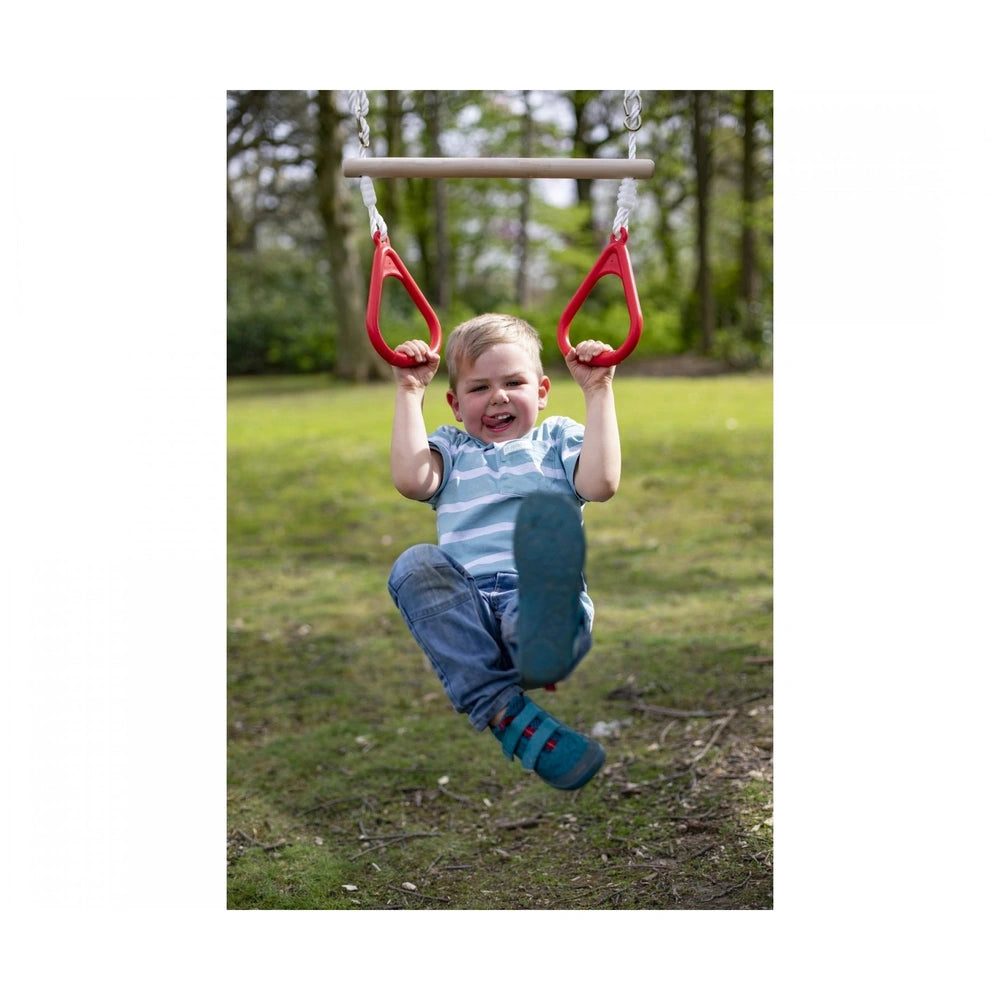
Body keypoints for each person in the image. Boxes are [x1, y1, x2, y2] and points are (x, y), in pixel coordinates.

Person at [386, 313, 621, 791]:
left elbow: (600, 484)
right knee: (414, 565)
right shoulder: (450, 448)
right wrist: (410, 391)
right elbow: (412, 481)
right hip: (473, 616)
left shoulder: (556, 440)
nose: (497, 397)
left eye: (514, 382)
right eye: (478, 389)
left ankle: (538, 653)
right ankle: (506, 713)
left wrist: (599, 392)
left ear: (542, 390)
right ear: (454, 403)